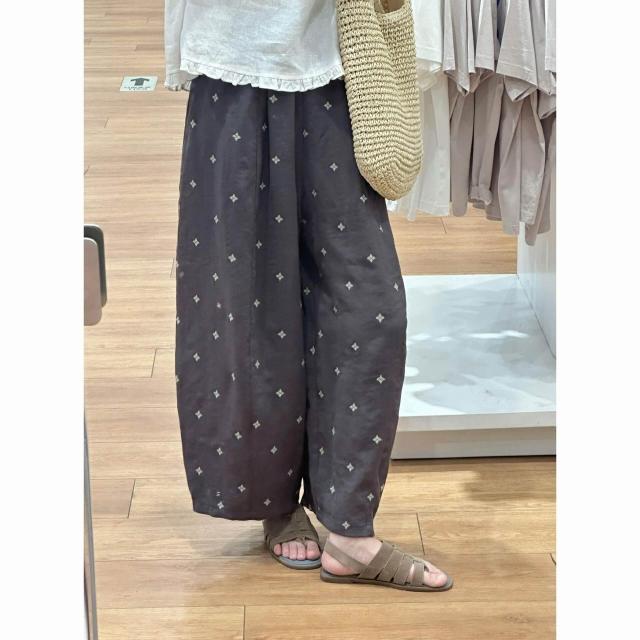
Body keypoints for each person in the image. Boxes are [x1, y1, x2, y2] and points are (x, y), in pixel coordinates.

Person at [165, 0, 452, 591]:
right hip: (234, 70)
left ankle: (349, 526)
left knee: (372, 309)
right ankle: (276, 503)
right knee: (250, 312)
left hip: (341, 68)